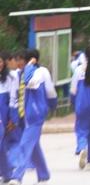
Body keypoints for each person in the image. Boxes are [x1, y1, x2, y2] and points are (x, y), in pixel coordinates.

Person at [8, 49, 57, 185]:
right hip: (22, 115)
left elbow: (49, 91)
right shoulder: (17, 75)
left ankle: (17, 176)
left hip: (35, 115)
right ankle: (44, 174)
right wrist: (13, 114)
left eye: (21, 60)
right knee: (33, 146)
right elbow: (14, 95)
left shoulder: (40, 72)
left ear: (31, 60)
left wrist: (52, 106)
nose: (18, 63)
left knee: (25, 144)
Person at [0, 51, 17, 180]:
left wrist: (12, 117)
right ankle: (7, 172)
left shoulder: (11, 77)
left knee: (3, 143)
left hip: (4, 113)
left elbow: (13, 98)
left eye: (0, 61)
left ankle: (7, 171)